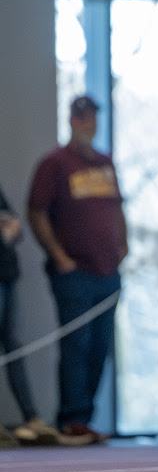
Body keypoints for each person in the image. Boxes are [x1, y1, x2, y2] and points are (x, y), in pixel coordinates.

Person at [27, 95, 127, 444]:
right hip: (74, 274)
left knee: (101, 346)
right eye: (84, 119)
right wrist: (59, 256)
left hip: (108, 272)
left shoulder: (105, 163)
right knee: (76, 346)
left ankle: (85, 418)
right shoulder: (53, 164)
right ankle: (71, 420)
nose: (90, 125)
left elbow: (117, 208)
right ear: (72, 121)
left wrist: (122, 246)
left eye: (94, 119)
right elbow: (36, 211)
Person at [0, 182, 63, 445]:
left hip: (5, 273)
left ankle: (32, 418)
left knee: (13, 345)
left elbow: (12, 224)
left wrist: (9, 229)